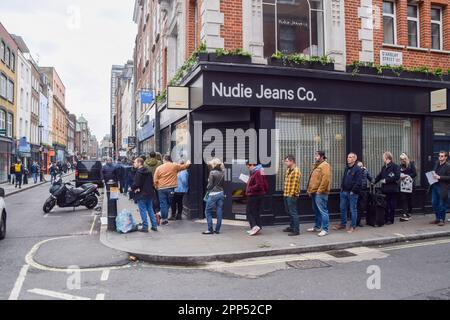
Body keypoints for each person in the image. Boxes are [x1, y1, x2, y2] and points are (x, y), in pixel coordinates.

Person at [153, 155, 191, 225]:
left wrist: (156, 186)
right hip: (171, 188)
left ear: (164, 160)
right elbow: (184, 167)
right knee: (168, 203)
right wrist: (188, 162)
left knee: (163, 203)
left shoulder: (159, 168)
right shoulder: (174, 166)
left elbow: (155, 179)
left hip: (161, 188)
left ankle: (162, 217)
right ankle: (162, 216)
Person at [334, 153, 362, 233]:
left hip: (352, 193)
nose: (348, 158)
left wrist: (353, 191)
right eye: (348, 157)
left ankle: (353, 226)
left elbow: (358, 182)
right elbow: (344, 179)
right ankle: (343, 224)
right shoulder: (347, 168)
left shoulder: (358, 169)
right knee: (342, 208)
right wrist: (342, 188)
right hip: (344, 192)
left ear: (354, 159)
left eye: (350, 157)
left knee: (353, 209)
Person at [307, 151, 332, 237]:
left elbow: (326, 179)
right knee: (316, 210)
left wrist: (319, 191)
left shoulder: (325, 165)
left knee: (323, 211)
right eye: (315, 155)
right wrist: (310, 190)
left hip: (320, 193)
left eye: (317, 155)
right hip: (314, 192)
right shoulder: (317, 165)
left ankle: (325, 229)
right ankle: (317, 227)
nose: (315, 157)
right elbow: (312, 179)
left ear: (322, 157)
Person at [130, 158, 158, 233]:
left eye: (135, 162)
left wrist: (131, 188)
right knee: (150, 210)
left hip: (142, 194)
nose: (134, 163)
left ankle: (145, 227)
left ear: (139, 163)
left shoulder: (139, 172)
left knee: (142, 210)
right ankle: (154, 226)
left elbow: (136, 184)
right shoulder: (148, 171)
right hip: (149, 193)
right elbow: (151, 182)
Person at [374, 152, 401, 225]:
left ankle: (390, 220)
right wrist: (373, 182)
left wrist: (387, 180)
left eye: (383, 157)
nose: (382, 158)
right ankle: (385, 218)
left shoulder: (395, 166)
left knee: (391, 205)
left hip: (392, 189)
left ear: (387, 157)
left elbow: (397, 176)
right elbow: (379, 176)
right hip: (385, 189)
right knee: (385, 205)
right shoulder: (384, 167)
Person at [245, 161, 269, 236]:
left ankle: (254, 227)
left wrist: (249, 188)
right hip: (258, 194)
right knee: (255, 211)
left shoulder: (257, 172)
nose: (248, 168)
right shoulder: (259, 171)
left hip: (254, 195)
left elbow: (259, 185)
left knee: (249, 212)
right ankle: (257, 227)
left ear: (252, 164)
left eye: (248, 166)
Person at [202, 158, 225, 235]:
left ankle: (210, 229)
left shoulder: (212, 173)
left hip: (213, 194)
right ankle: (217, 230)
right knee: (219, 211)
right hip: (221, 193)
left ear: (214, 164)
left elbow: (210, 186)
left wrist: (208, 183)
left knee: (207, 211)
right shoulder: (222, 172)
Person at [282, 155, 302, 237]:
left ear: (292, 161)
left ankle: (296, 230)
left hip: (292, 195)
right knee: (289, 212)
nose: (285, 163)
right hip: (286, 194)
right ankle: (291, 227)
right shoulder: (288, 170)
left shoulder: (296, 171)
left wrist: (290, 195)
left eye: (286, 161)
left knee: (293, 213)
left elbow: (295, 185)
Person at [430, 151, 450, 226]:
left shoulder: (448, 166)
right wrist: (433, 174)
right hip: (435, 185)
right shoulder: (437, 163)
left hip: (442, 187)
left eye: (442, 156)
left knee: (442, 204)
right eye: (439, 156)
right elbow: (434, 172)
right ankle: (437, 218)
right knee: (434, 202)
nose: (440, 157)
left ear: (445, 157)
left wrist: (440, 177)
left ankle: (442, 220)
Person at [399, 153, 417, 222]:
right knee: (404, 199)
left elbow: (415, 173)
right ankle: (404, 214)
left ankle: (409, 212)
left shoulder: (411, 164)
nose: (402, 161)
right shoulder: (400, 166)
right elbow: (398, 173)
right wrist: (400, 176)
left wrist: (407, 176)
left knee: (410, 199)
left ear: (406, 159)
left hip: (410, 185)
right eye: (401, 159)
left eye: (403, 159)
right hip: (403, 185)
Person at [357, 161, 373, 227]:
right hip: (357, 191)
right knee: (356, 207)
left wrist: (373, 181)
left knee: (361, 207)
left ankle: (358, 221)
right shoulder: (356, 171)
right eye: (359, 166)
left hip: (363, 191)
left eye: (361, 166)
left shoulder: (365, 171)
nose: (361, 167)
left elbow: (370, 178)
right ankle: (355, 221)